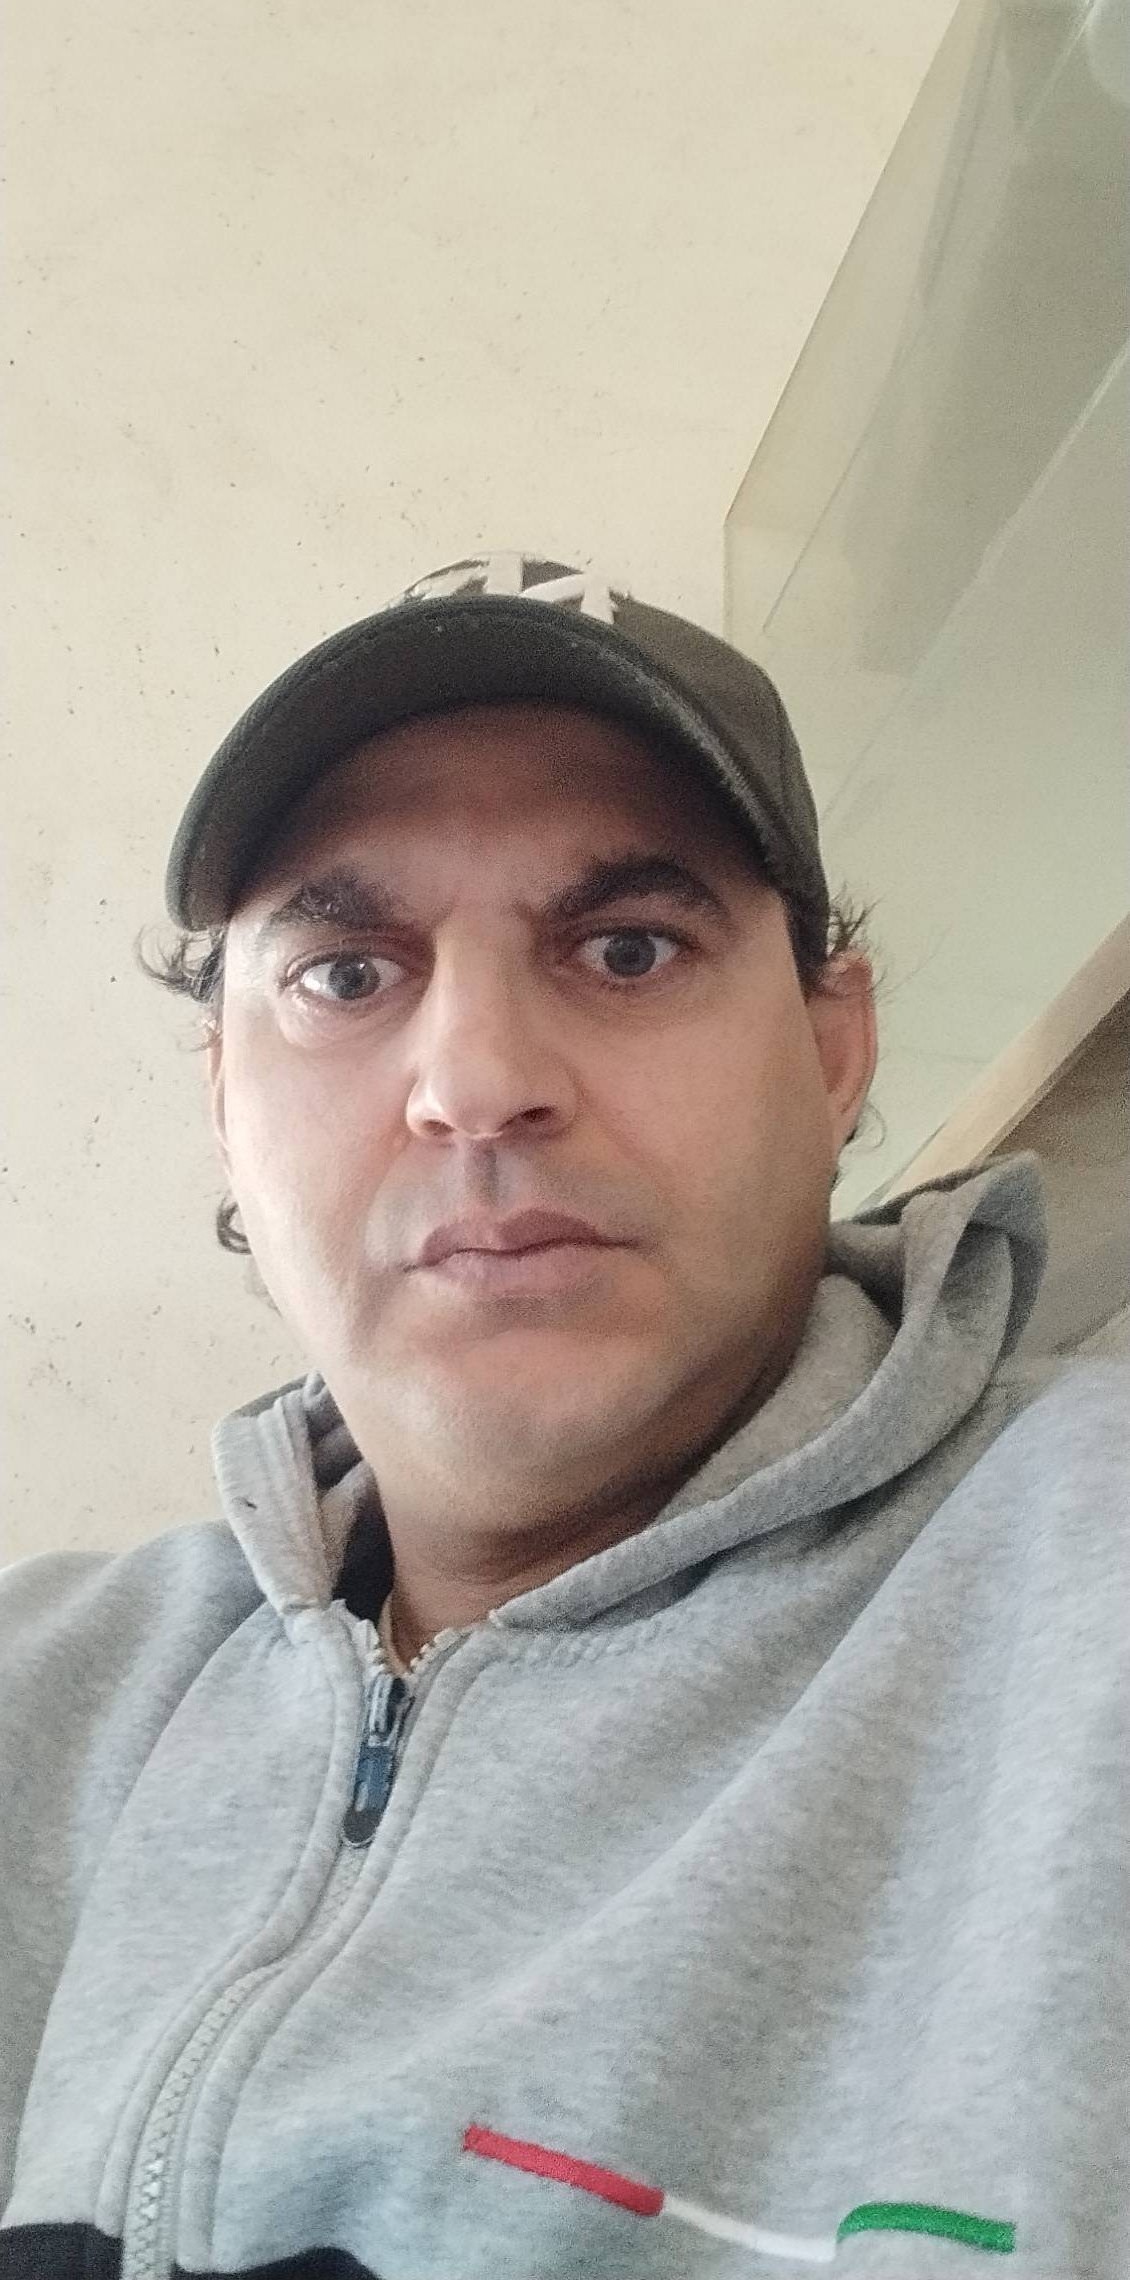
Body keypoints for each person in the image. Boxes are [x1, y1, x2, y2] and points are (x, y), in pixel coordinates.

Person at [1, 557, 1126, 2280]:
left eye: (626, 948)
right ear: (226, 1101)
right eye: (346, 976)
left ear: (832, 1053)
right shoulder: (40, 1699)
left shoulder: (1087, 1590)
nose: (475, 1083)